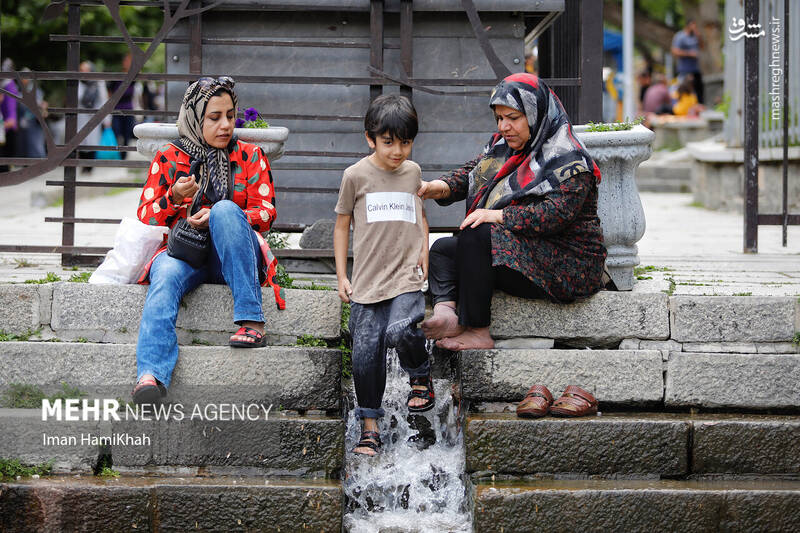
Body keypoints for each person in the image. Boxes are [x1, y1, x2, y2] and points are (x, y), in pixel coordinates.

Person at [418, 73, 606, 418]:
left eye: (513, 118)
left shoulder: (570, 160)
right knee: (444, 249)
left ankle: (478, 330)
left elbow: (554, 215)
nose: (504, 127)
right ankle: (448, 313)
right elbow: (474, 172)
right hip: (524, 252)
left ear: (536, 115)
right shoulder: (502, 147)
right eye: (499, 118)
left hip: (569, 263)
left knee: (477, 234)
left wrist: (498, 217)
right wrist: (439, 187)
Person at [131, 76, 286, 404]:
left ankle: (251, 320)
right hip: (184, 253)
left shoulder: (249, 155)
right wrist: (173, 197)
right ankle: (150, 376)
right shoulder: (169, 158)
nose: (226, 125)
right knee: (165, 278)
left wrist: (219, 214)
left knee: (227, 211)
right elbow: (146, 216)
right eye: (214, 117)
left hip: (234, 256)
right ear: (194, 116)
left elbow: (267, 213)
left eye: (230, 115)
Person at [334, 94, 432, 456]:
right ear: (370, 138)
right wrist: (343, 275)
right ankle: (370, 428)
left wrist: (424, 248)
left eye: (405, 142)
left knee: (401, 329)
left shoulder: (414, 173)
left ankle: (419, 374)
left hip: (405, 277)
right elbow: (342, 226)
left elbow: (419, 214)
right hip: (366, 284)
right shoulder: (355, 176)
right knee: (364, 354)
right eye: (389, 142)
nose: (397, 151)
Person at [77, 61, 110, 172]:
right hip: (81, 116)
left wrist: (106, 118)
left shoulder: (98, 82)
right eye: (81, 70)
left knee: (92, 142)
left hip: (94, 116)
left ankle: (90, 166)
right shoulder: (78, 83)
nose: (83, 72)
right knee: (80, 141)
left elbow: (103, 100)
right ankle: (83, 165)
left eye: (85, 69)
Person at [107, 53, 136, 159]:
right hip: (117, 109)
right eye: (126, 61)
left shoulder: (133, 77)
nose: (128, 64)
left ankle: (124, 154)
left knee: (127, 133)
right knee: (117, 131)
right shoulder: (117, 76)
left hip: (129, 109)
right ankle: (119, 151)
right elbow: (109, 91)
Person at [15, 68, 48, 159]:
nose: (23, 79)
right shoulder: (19, 89)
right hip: (23, 121)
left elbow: (38, 104)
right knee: (23, 145)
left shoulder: (35, 90)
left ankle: (37, 163)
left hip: (34, 121)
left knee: (34, 144)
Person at [671, 19, 703, 104]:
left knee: (698, 90)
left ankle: (698, 106)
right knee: (684, 89)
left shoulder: (695, 37)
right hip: (684, 69)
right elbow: (675, 51)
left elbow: (702, 47)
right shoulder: (680, 36)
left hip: (695, 68)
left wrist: (699, 36)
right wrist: (689, 54)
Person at [0, 58, 20, 172]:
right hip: (6, 124)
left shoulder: (8, 85)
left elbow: (10, 106)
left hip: (7, 125)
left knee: (5, 155)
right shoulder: (7, 84)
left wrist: (10, 121)